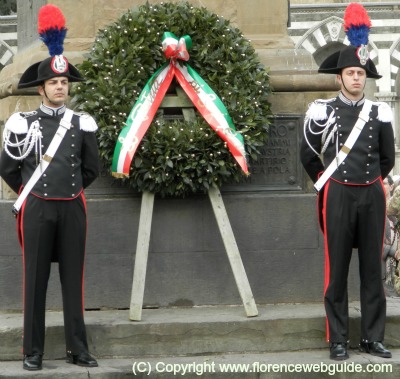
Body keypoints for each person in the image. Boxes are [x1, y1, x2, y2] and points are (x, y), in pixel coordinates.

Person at [0, 5, 99, 371]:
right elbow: (8, 168)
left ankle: (78, 348)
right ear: (41, 88)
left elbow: (91, 168)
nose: (61, 87)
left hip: (72, 204)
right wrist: (31, 192)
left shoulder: (82, 123)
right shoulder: (22, 123)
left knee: (74, 280)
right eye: (54, 83)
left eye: (65, 82)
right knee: (35, 281)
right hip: (37, 207)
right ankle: (33, 352)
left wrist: (69, 187)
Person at [300, 3, 394, 361]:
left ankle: (373, 337)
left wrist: (372, 181)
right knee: (336, 270)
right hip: (336, 193)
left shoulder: (379, 111)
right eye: (351, 73)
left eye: (360, 73)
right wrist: (327, 184)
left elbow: (387, 158)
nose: (357, 78)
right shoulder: (321, 109)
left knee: (373, 270)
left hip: (371, 192)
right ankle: (338, 339)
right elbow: (309, 155)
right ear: (339, 76)